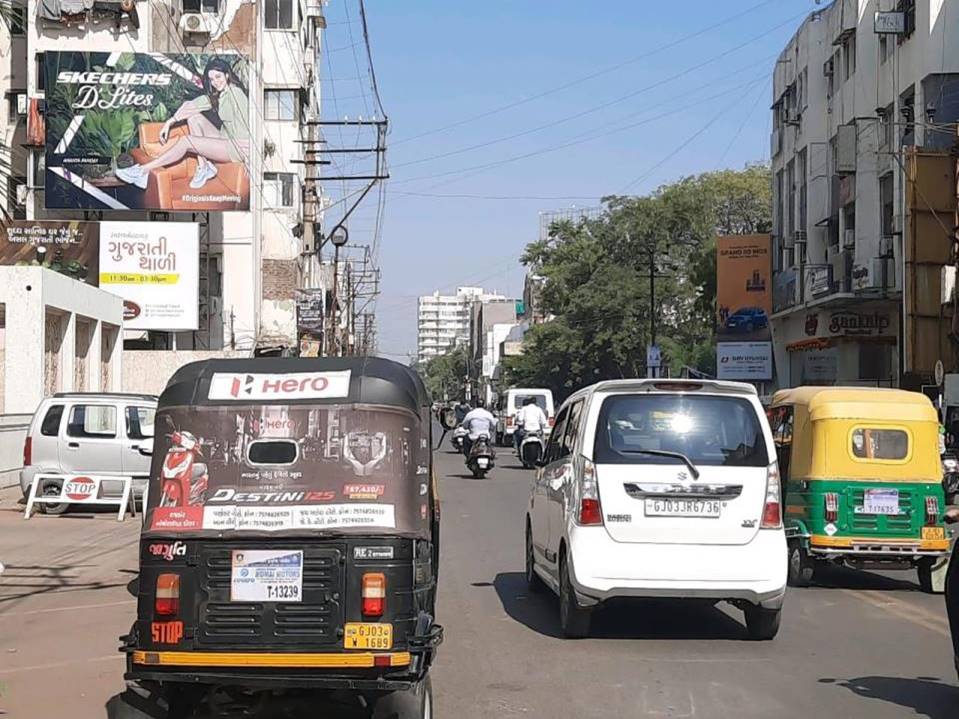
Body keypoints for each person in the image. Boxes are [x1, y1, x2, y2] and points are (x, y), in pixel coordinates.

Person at [115, 57, 250, 191]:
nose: (215, 82)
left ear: (227, 75)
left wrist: (250, 157)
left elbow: (248, 123)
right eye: (212, 79)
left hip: (238, 146)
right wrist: (170, 122)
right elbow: (193, 105)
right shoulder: (220, 94)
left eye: (218, 76)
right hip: (225, 138)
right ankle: (204, 167)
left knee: (186, 141)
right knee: (193, 117)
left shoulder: (236, 93)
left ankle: (142, 171)